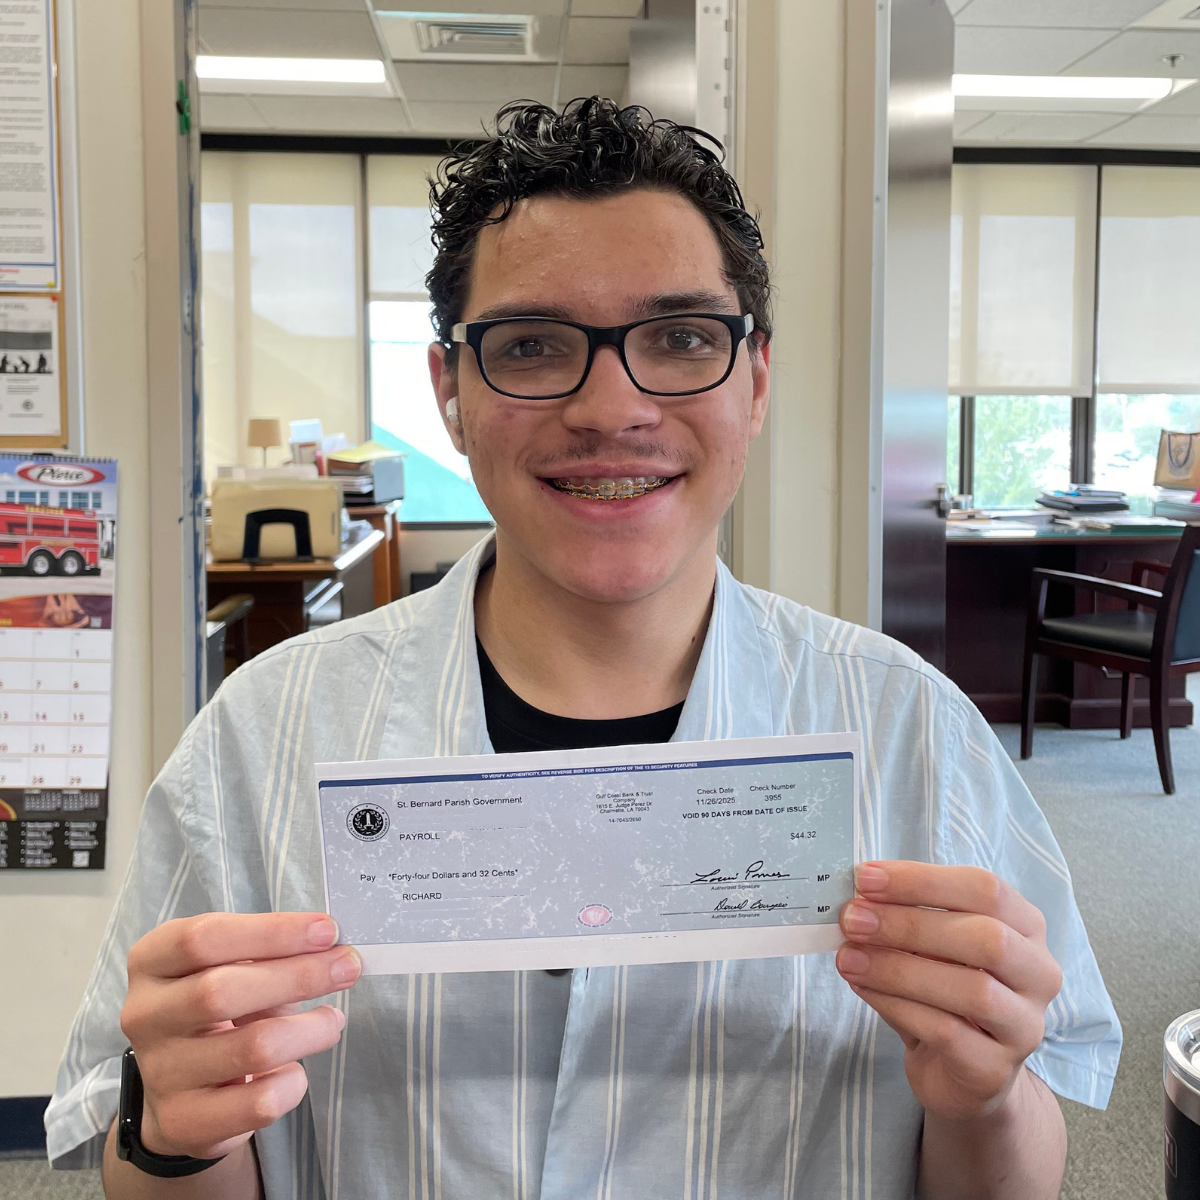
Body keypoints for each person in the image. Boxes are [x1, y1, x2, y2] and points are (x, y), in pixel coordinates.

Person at [47, 98, 1119, 1200]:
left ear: (754, 381)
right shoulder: (263, 737)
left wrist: (987, 1096)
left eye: (683, 338)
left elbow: (1018, 1173)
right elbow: (154, 1167)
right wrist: (180, 1136)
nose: (613, 407)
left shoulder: (911, 730)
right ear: (451, 394)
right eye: (530, 346)